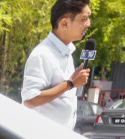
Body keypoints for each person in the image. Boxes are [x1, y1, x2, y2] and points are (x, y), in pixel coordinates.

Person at [21, 0, 92, 129]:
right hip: (41, 138)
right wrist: (70, 83)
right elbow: (30, 100)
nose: (88, 24)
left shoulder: (66, 53)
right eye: (84, 19)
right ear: (64, 23)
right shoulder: (43, 54)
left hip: (59, 138)